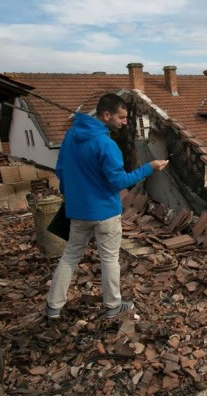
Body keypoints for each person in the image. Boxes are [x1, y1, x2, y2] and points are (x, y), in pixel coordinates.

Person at [46, 93, 168, 319]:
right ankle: (113, 306)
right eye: (121, 118)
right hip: (105, 213)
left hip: (77, 212)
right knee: (109, 258)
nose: (124, 122)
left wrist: (72, 197)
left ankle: (53, 306)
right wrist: (149, 167)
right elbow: (119, 183)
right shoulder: (106, 144)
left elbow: (61, 171)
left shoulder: (71, 136)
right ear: (106, 115)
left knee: (70, 257)